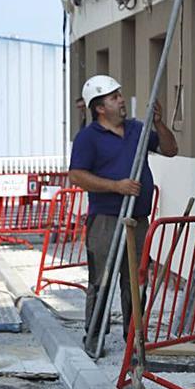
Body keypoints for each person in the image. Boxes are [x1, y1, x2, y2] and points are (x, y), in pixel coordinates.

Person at [68, 75, 177, 344]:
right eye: (114, 97)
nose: (121, 101)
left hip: (137, 220)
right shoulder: (88, 138)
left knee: (135, 281)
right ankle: (95, 335)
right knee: (101, 279)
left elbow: (170, 149)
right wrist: (115, 186)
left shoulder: (137, 130)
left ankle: (135, 336)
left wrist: (159, 124)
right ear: (100, 108)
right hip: (105, 219)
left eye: (119, 94)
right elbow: (77, 176)